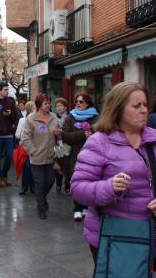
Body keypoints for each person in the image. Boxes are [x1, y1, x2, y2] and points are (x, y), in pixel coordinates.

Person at [71, 82, 156, 272]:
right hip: (117, 237)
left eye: (145, 105)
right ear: (117, 109)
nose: (144, 110)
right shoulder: (99, 142)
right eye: (136, 106)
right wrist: (109, 188)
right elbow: (78, 188)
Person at [21, 94, 61, 219]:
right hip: (37, 157)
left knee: (50, 181)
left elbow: (59, 136)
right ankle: (40, 206)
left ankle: (42, 198)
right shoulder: (31, 119)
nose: (48, 105)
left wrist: (59, 134)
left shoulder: (54, 117)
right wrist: (32, 151)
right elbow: (25, 137)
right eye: (45, 103)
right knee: (40, 182)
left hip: (51, 156)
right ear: (39, 105)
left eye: (49, 103)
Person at [62, 92, 98, 221]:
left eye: (81, 101)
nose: (77, 104)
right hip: (75, 155)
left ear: (87, 103)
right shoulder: (70, 117)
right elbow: (65, 135)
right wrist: (82, 135)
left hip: (93, 155)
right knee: (76, 181)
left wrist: (92, 132)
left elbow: (101, 132)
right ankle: (77, 208)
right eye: (76, 101)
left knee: (89, 181)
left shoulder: (95, 117)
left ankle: (86, 207)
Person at [15, 101, 36, 195]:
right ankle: (25, 187)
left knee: (33, 167)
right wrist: (25, 135)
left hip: (37, 147)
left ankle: (32, 187)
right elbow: (17, 135)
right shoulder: (22, 120)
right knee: (27, 167)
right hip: (25, 147)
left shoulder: (40, 120)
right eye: (34, 107)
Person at [53, 97, 70, 194]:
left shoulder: (69, 117)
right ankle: (58, 184)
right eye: (57, 106)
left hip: (66, 144)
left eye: (60, 106)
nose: (59, 108)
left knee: (67, 165)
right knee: (57, 165)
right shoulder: (53, 117)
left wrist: (62, 133)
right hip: (56, 144)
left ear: (65, 107)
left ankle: (68, 186)